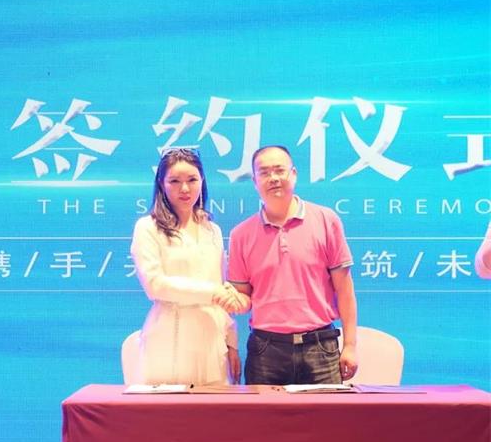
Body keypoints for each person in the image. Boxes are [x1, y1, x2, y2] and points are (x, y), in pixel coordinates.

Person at [227, 145, 358, 385]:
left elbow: (344, 289)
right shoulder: (240, 235)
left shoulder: (326, 220)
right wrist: (227, 298)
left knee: (327, 411)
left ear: (294, 174)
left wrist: (350, 345)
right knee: (263, 412)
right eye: (264, 172)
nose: (273, 178)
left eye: (280, 170)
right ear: (254, 181)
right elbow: (243, 297)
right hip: (265, 351)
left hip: (320, 347)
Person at [130, 147, 249, 386]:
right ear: (161, 184)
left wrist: (231, 343)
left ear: (202, 181)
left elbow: (222, 286)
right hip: (170, 337)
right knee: (170, 407)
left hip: (211, 340)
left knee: (214, 407)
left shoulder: (211, 229)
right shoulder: (148, 227)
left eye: (192, 180)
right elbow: (155, 285)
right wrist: (212, 292)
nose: (184, 188)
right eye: (175, 181)